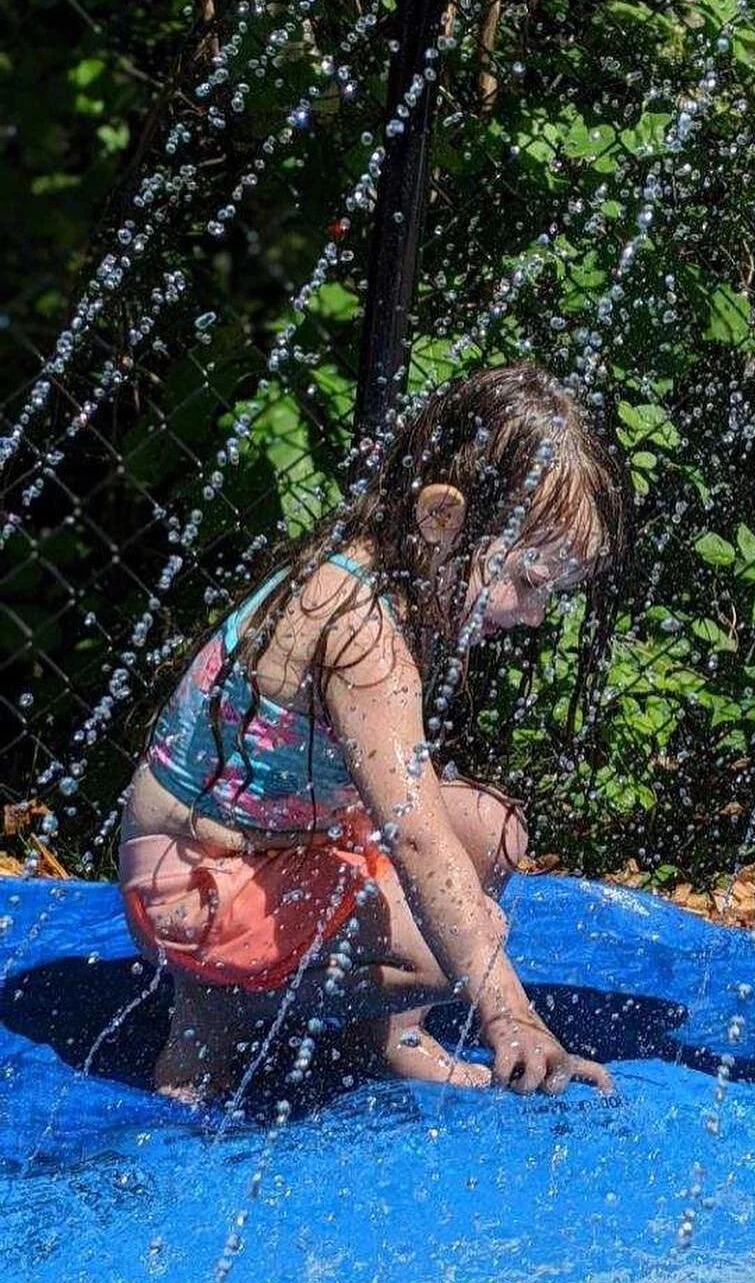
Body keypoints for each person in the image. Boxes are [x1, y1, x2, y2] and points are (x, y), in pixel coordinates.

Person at [119, 363, 629, 1102]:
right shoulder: (358, 627)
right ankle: (206, 1027)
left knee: (491, 829)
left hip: (284, 843)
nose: (535, 614)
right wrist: (509, 1013)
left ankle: (397, 1036)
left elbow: (416, 811)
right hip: (194, 877)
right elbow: (415, 840)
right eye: (529, 580)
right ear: (442, 519)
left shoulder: (388, 575)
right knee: (453, 946)